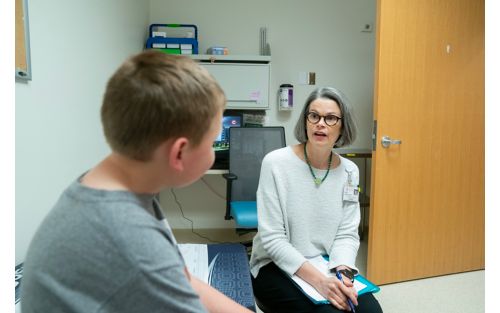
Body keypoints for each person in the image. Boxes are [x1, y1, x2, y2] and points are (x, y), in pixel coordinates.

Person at [21, 51, 252, 313]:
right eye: (212, 143)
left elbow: (182, 278)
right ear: (178, 153)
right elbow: (150, 264)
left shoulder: (107, 183)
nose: (213, 152)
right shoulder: (131, 242)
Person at [249, 87, 383, 313]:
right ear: (305, 122)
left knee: (370, 311)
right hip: (273, 266)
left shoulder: (350, 171)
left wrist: (343, 273)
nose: (320, 123)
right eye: (314, 116)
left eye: (330, 118)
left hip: (327, 263)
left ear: (343, 127)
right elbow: (273, 240)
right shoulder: (276, 163)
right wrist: (320, 282)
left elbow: (347, 233)